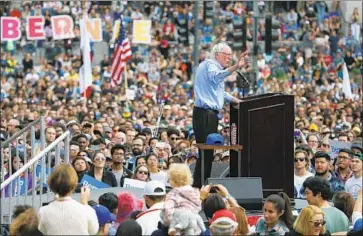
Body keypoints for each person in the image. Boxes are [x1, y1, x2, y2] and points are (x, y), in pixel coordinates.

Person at [192, 42, 249, 188]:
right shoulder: (210, 65)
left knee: (208, 152)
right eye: (227, 55)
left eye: (231, 56)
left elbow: (218, 92)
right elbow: (216, 78)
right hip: (205, 114)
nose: (229, 58)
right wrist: (236, 67)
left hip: (209, 115)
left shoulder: (214, 68)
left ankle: (200, 185)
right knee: (206, 151)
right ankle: (200, 186)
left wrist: (236, 100)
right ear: (217, 55)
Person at [38, 164, 99, 235]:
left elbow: (43, 231)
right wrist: (84, 203)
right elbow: (93, 231)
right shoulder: (86, 210)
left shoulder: (43, 211)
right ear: (74, 184)